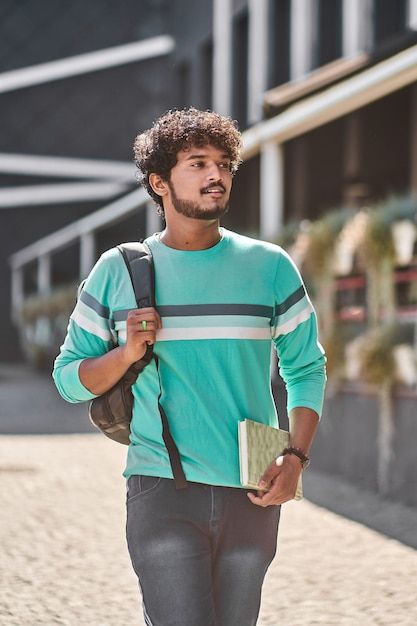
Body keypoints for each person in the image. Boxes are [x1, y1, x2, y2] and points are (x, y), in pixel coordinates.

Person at [53, 107, 326, 626]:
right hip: (161, 484)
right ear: (159, 182)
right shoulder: (119, 270)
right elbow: (68, 379)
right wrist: (126, 353)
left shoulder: (269, 266)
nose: (215, 175)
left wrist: (295, 459)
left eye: (223, 163)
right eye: (197, 163)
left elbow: (306, 368)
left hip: (255, 481)